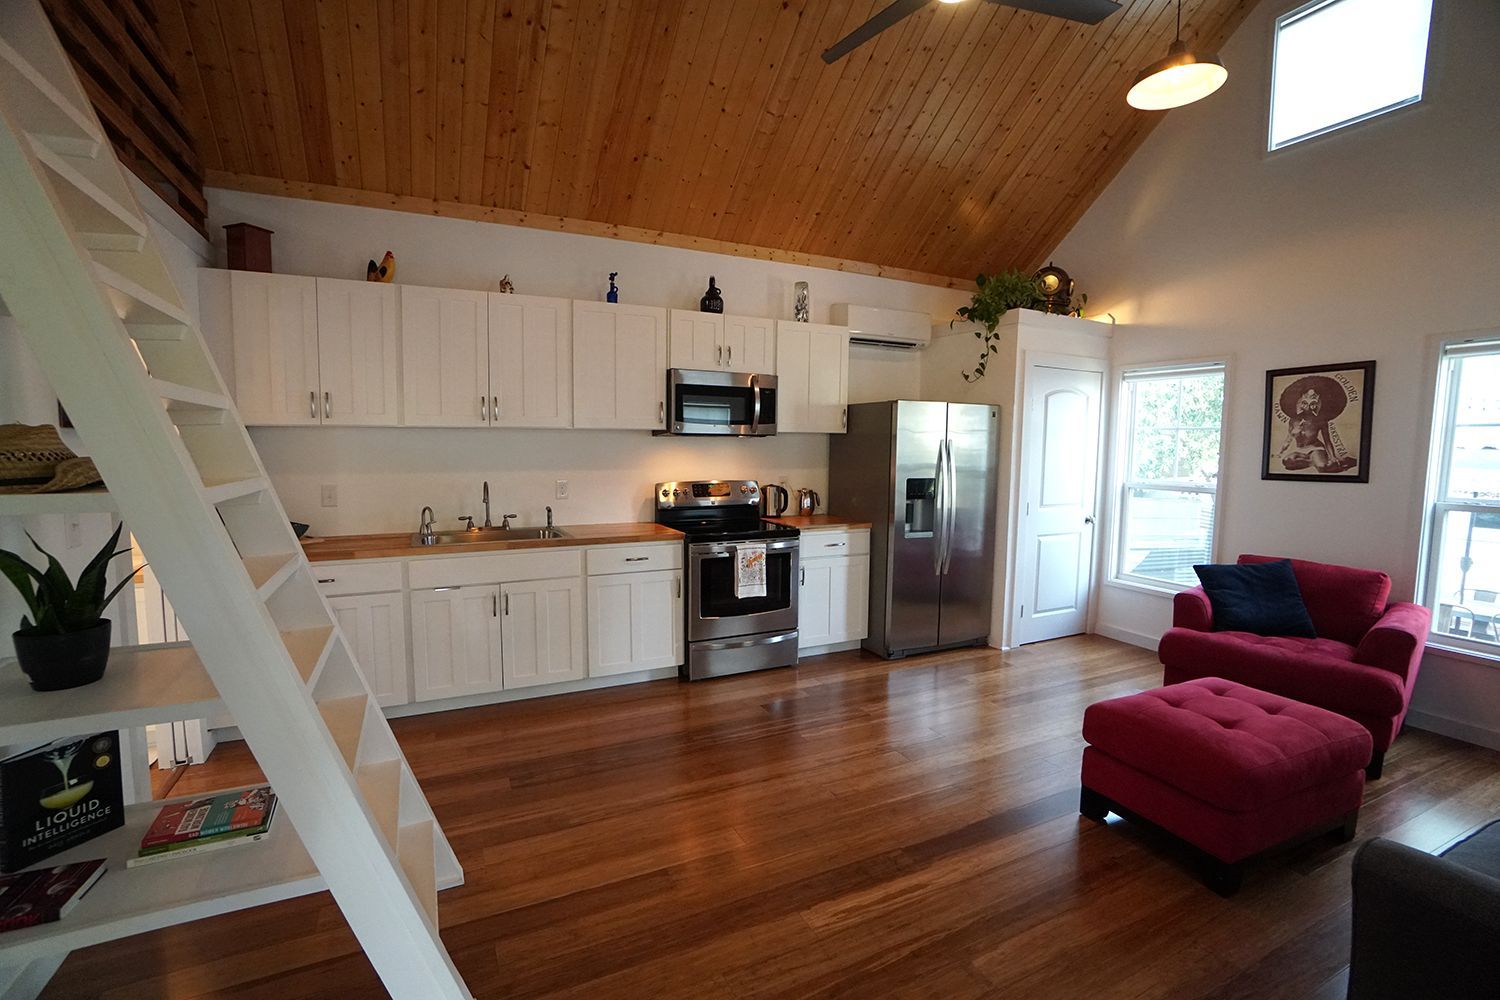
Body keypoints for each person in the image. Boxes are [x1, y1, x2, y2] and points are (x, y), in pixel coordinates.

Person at [1276, 376, 1358, 474]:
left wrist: (1332, 456)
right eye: (1305, 403)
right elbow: (1289, 438)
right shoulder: (1293, 420)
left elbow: (1327, 441)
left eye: (1312, 404)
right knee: (1287, 462)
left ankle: (1339, 461)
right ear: (1299, 402)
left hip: (1315, 448)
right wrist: (1280, 452)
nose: (1308, 407)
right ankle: (1314, 461)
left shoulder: (1321, 421)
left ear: (1318, 404)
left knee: (1323, 468)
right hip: (1301, 451)